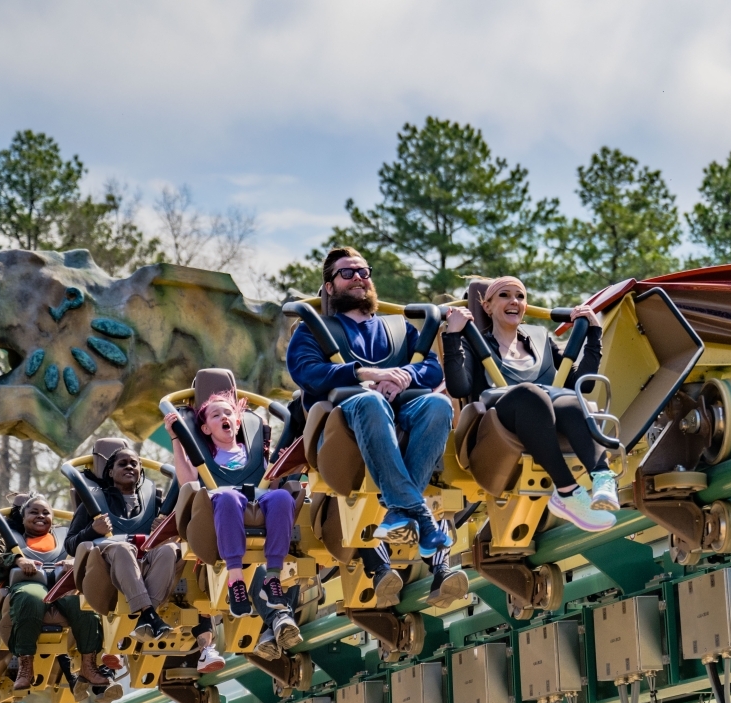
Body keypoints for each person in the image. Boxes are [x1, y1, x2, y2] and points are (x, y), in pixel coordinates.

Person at [285, 246, 467, 603]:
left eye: (363, 272)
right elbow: (306, 371)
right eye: (347, 273)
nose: (358, 277)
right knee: (370, 401)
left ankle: (401, 511)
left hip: (400, 412)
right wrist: (366, 374)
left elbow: (431, 368)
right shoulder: (313, 331)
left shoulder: (397, 328)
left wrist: (404, 376)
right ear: (329, 286)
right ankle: (420, 518)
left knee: (438, 404)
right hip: (344, 424)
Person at [442, 275, 616, 532]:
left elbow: (583, 383)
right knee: (530, 393)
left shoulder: (539, 338)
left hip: (543, 419)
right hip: (497, 423)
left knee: (572, 401)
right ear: (487, 306)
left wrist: (594, 334)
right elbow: (459, 388)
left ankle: (601, 475)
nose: (514, 301)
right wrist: (453, 335)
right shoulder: (473, 341)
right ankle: (567, 490)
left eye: (520, 296)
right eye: (504, 295)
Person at [167, 389, 303, 653]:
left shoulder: (254, 451)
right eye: (216, 415)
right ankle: (236, 579)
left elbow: (272, 482)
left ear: (238, 423)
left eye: (228, 413)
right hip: (222, 503)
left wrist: (287, 466)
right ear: (205, 428)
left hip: (256, 500)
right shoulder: (203, 455)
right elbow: (186, 481)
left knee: (283, 498)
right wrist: (176, 439)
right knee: (228, 496)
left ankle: (272, 578)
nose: (224, 417)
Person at [0, 494, 115, 694]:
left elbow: (93, 552)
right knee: (31, 598)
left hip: (63, 586)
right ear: (23, 517)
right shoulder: (7, 537)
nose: (40, 516)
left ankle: (89, 664)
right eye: (34, 512)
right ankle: (25, 665)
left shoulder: (66, 536)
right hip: (29, 584)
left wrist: (75, 562)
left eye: (45, 512)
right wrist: (16, 560)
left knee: (84, 603)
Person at [62, 437, 180, 641]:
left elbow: (174, 537)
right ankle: (150, 614)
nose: (129, 467)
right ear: (110, 472)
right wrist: (92, 530)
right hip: (108, 570)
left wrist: (164, 531)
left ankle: (146, 616)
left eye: (134, 464)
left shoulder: (154, 502)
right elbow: (70, 545)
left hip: (146, 566)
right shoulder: (93, 502)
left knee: (169, 549)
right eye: (122, 464)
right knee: (122, 547)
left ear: (140, 470)